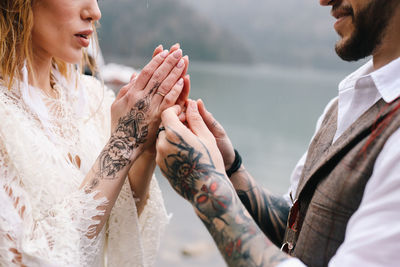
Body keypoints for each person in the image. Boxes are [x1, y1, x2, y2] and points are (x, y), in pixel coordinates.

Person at [155, 0, 400, 266]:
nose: (324, 1)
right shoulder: (346, 103)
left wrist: (207, 187)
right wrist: (228, 168)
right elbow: (296, 227)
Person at [0, 0, 190, 266]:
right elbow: (25, 258)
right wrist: (123, 142)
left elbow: (119, 224)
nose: (95, 12)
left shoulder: (92, 97)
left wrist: (144, 145)